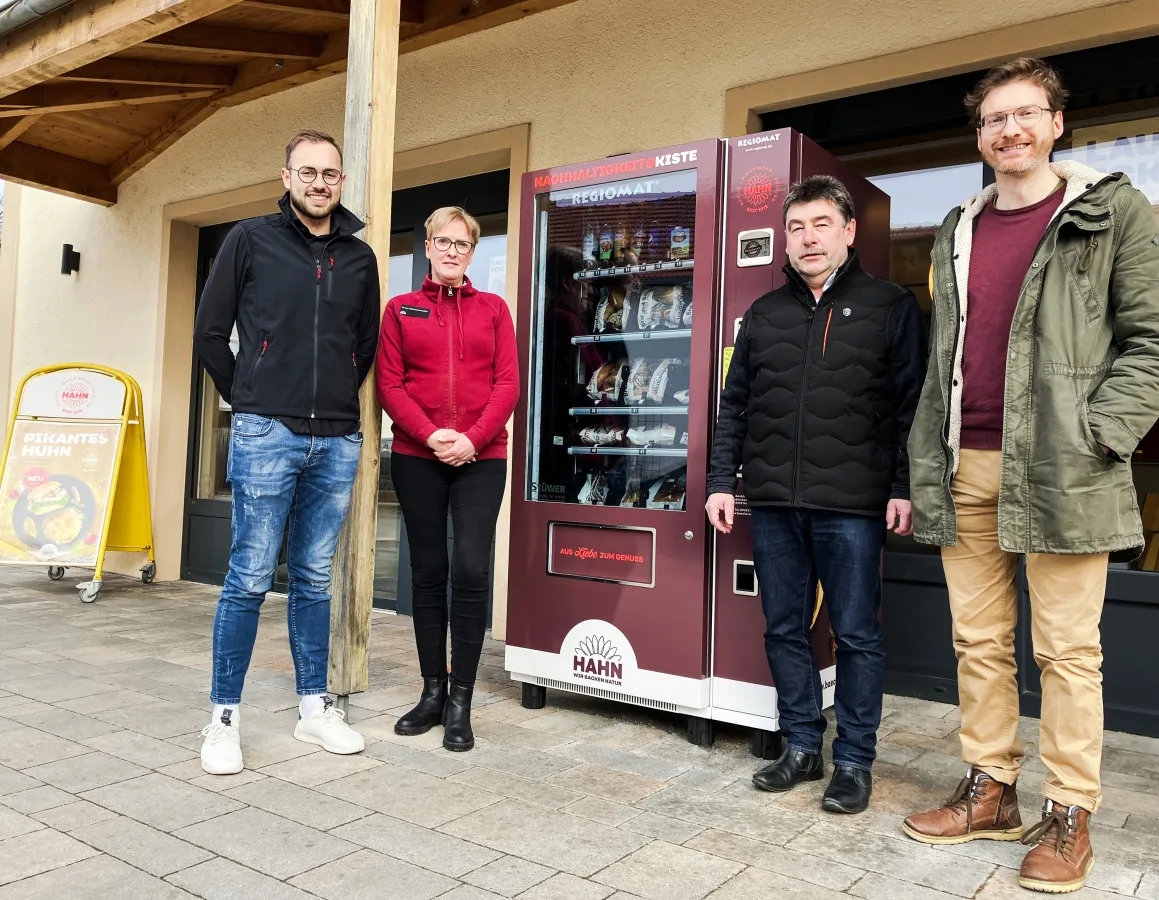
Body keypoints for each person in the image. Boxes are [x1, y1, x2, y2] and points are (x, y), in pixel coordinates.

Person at [902, 58, 1159, 894]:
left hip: (1062, 464)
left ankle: (1070, 812)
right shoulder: (955, 227)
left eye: (1024, 114)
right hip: (962, 461)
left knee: (1066, 652)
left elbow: (1149, 342)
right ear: (980, 138)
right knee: (977, 642)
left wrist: (1098, 435)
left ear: (1055, 123)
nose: (1007, 130)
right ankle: (990, 790)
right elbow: (948, 354)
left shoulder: (1112, 210)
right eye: (991, 120)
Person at [706, 175, 925, 814]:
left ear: (848, 232)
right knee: (784, 628)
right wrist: (723, 481)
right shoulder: (765, 314)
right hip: (773, 499)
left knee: (856, 634)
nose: (808, 238)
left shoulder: (890, 306)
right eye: (797, 226)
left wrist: (903, 487)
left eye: (821, 224)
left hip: (852, 504)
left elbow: (914, 404)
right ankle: (802, 745)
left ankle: (854, 760)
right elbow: (735, 404)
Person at [193, 129, 379, 775]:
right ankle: (223, 719)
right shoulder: (248, 239)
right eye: (308, 172)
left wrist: (330, 403)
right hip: (264, 430)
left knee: (313, 577)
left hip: (335, 437)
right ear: (286, 176)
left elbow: (364, 346)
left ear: (341, 183)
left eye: (329, 173)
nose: (319, 182)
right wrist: (247, 396)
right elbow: (210, 332)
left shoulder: (359, 258)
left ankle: (313, 709)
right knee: (246, 577)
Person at [376, 206, 519, 752]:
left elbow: (507, 383)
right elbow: (390, 385)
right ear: (429, 247)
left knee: (470, 567)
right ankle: (432, 691)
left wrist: (472, 439)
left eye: (463, 243)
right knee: (430, 570)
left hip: (482, 457)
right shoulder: (401, 310)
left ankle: (462, 699)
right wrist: (431, 434)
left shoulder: (494, 311)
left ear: (472, 252)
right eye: (443, 241)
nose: (452, 250)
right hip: (418, 455)